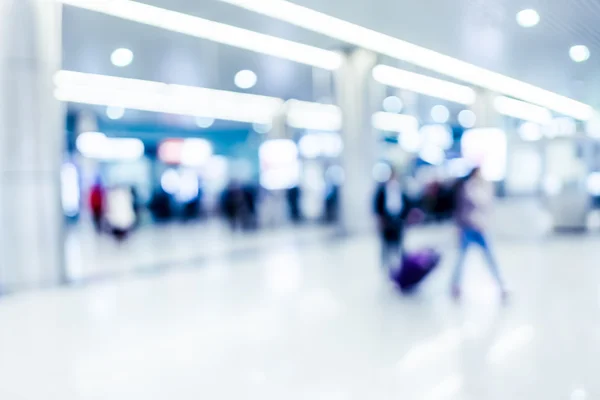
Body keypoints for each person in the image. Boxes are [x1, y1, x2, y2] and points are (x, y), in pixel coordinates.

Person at [451, 167, 507, 299]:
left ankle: (501, 285)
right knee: (461, 258)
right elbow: (461, 209)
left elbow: (487, 205)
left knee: (490, 257)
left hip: (481, 227)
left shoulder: (485, 187)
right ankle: (455, 285)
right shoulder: (466, 188)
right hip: (468, 227)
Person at [374, 170, 414, 269]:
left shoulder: (400, 188)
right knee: (386, 242)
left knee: (399, 241)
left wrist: (406, 216)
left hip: (399, 217)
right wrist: (380, 219)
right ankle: (385, 263)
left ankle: (402, 262)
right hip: (387, 218)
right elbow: (377, 204)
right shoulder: (382, 189)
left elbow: (406, 202)